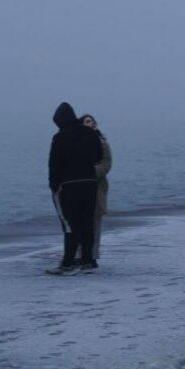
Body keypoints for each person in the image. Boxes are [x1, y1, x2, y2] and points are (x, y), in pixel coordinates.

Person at [46, 102, 102, 275]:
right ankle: (87, 261)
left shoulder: (59, 137)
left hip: (69, 186)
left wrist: (54, 185)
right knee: (87, 222)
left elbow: (54, 164)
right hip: (90, 183)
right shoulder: (89, 133)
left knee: (70, 224)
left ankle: (68, 263)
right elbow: (98, 156)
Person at [76, 114, 111, 268]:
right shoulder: (75, 143)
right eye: (87, 121)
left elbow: (107, 165)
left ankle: (92, 256)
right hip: (79, 188)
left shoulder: (103, 144)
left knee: (95, 222)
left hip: (97, 187)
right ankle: (79, 255)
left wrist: (89, 171)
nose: (92, 124)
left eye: (93, 121)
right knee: (79, 223)